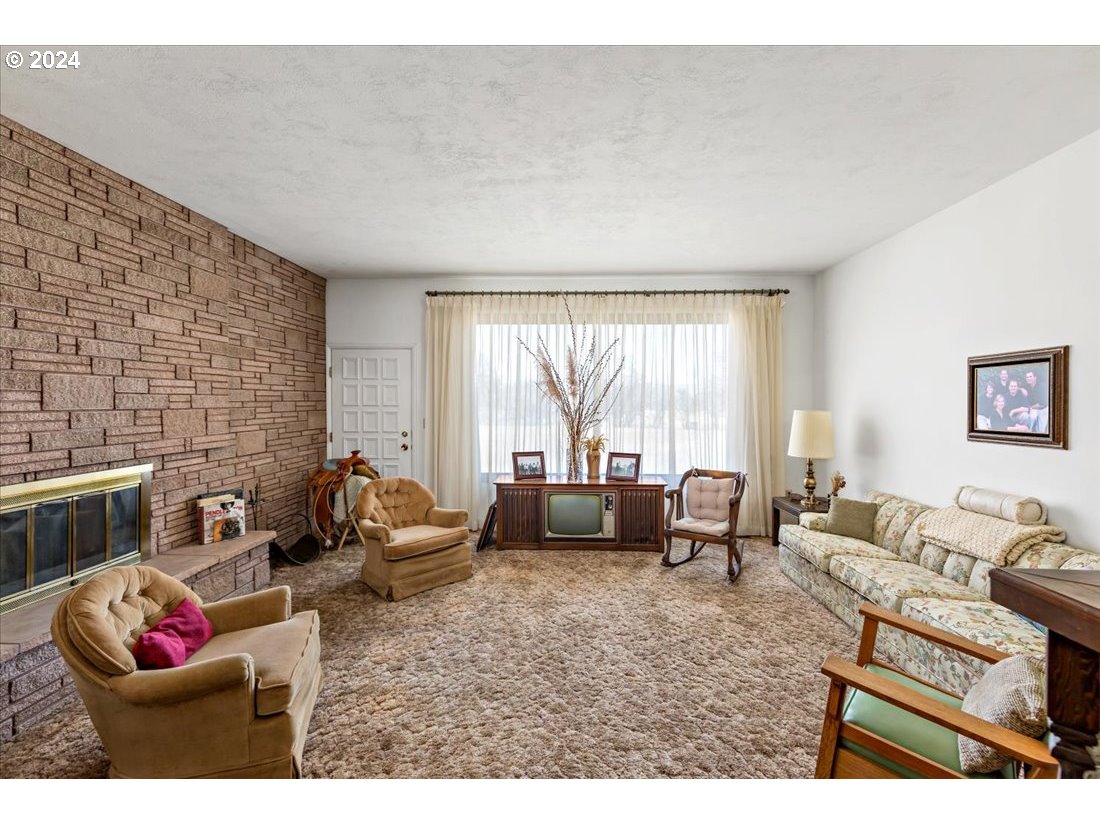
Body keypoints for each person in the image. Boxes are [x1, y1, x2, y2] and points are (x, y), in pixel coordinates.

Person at [1023, 368, 1049, 432]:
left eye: (1030, 376)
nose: (1028, 378)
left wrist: (1030, 408)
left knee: (1041, 430)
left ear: (1035, 377)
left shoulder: (1042, 386)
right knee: (1031, 419)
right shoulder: (1027, 387)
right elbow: (1016, 387)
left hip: (1043, 409)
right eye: (1027, 377)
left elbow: (1042, 404)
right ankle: (1029, 432)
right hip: (1034, 409)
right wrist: (1021, 389)